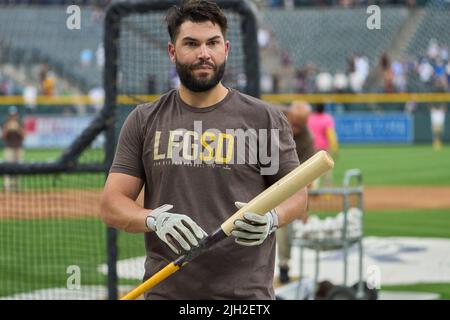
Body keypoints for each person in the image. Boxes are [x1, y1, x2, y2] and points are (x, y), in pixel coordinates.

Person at [100, 0, 308, 300]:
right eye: (191, 44)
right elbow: (111, 204)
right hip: (168, 293)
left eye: (212, 43)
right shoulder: (145, 120)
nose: (203, 54)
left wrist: (273, 219)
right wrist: (154, 220)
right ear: (173, 52)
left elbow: (298, 196)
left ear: (226, 48)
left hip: (246, 299)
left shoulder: (264, 119)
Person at [276, 100, 315, 284]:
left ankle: (284, 265)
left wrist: (303, 206)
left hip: (286, 185)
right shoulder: (273, 117)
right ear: (289, 116)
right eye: (294, 123)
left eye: (301, 125)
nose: (296, 128)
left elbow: (306, 174)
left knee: (284, 226)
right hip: (259, 176)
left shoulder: (306, 138)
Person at [307, 103, 338, 188]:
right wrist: (335, 147)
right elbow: (330, 134)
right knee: (327, 170)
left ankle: (313, 189)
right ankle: (327, 192)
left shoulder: (311, 118)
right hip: (324, 148)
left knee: (313, 169)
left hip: (312, 147)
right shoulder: (327, 118)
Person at [2, 106, 25, 191]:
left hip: (19, 148)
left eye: (14, 114)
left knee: (18, 168)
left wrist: (18, 128)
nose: (13, 116)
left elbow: (24, 136)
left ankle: (16, 187)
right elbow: (3, 137)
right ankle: (7, 187)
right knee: (7, 167)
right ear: (9, 115)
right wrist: (8, 128)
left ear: (17, 115)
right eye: (11, 115)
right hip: (9, 148)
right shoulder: (6, 123)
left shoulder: (20, 123)